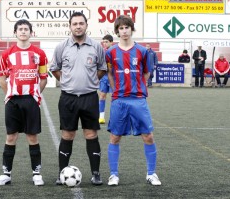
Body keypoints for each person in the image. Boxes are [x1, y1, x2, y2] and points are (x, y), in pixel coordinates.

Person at [50, 12, 107, 186]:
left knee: (91, 134)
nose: (78, 26)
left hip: (89, 98)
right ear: (70, 26)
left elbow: (102, 69)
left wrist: (89, 81)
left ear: (86, 25)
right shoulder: (61, 47)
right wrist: (68, 81)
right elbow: (55, 69)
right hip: (68, 98)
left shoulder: (96, 46)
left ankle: (96, 174)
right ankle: (62, 174)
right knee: (67, 134)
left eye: (81, 23)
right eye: (74, 24)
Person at [106, 15, 161, 186]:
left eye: (126, 27)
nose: (124, 31)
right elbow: (109, 73)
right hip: (119, 100)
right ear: (117, 31)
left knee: (148, 136)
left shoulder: (142, 51)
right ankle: (113, 175)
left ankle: (151, 174)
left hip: (138, 99)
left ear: (131, 29)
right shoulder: (111, 52)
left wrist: (140, 88)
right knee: (115, 137)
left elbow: (146, 72)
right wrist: (115, 90)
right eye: (121, 28)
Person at [0, 19, 48, 186]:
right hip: (13, 101)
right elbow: (2, 78)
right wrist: (10, 94)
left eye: (26, 29)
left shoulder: (40, 54)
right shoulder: (6, 54)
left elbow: (44, 78)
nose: (23, 31)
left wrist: (34, 94)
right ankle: (6, 173)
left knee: (32, 136)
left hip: (30, 100)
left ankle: (36, 173)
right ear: (15, 33)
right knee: (11, 137)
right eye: (20, 29)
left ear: (31, 33)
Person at [98, 34, 113, 124]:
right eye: (103, 42)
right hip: (104, 77)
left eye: (106, 42)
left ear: (111, 42)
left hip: (113, 77)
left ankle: (113, 117)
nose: (104, 43)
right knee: (102, 96)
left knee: (113, 98)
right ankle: (101, 117)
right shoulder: (102, 51)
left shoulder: (115, 51)